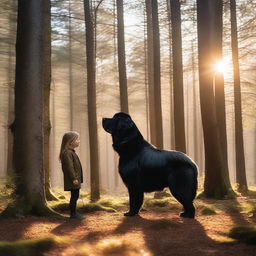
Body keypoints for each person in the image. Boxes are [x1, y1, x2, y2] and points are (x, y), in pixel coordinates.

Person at [59, 131, 84, 220]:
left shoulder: (71, 152)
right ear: (70, 141)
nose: (79, 141)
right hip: (73, 179)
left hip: (75, 179)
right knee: (74, 196)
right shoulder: (67, 153)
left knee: (75, 196)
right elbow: (69, 167)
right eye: (77, 139)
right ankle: (73, 214)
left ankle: (74, 213)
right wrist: (74, 178)